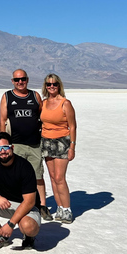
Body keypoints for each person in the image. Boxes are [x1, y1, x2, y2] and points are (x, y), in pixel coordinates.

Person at [0, 69, 53, 221]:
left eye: (23, 79)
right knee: (17, 175)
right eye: (17, 80)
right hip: (15, 144)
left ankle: (42, 205)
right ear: (12, 81)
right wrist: (4, 142)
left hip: (34, 143)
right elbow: (3, 120)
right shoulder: (7, 97)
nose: (20, 82)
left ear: (27, 80)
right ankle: (20, 203)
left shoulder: (34, 96)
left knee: (37, 175)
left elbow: (43, 116)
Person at [0, 132, 42, 250]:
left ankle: (28, 236)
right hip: (6, 202)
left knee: (28, 227)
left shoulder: (24, 166)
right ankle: (1, 235)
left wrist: (11, 224)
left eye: (5, 148)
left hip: (28, 207)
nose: (3, 152)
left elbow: (29, 202)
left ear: (12, 148)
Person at [41, 74, 78, 224]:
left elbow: (73, 126)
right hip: (46, 142)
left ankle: (67, 209)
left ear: (59, 85)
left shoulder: (65, 103)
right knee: (52, 177)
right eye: (49, 84)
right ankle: (60, 207)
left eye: (54, 84)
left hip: (62, 142)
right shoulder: (43, 103)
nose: (51, 87)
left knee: (60, 178)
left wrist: (72, 147)